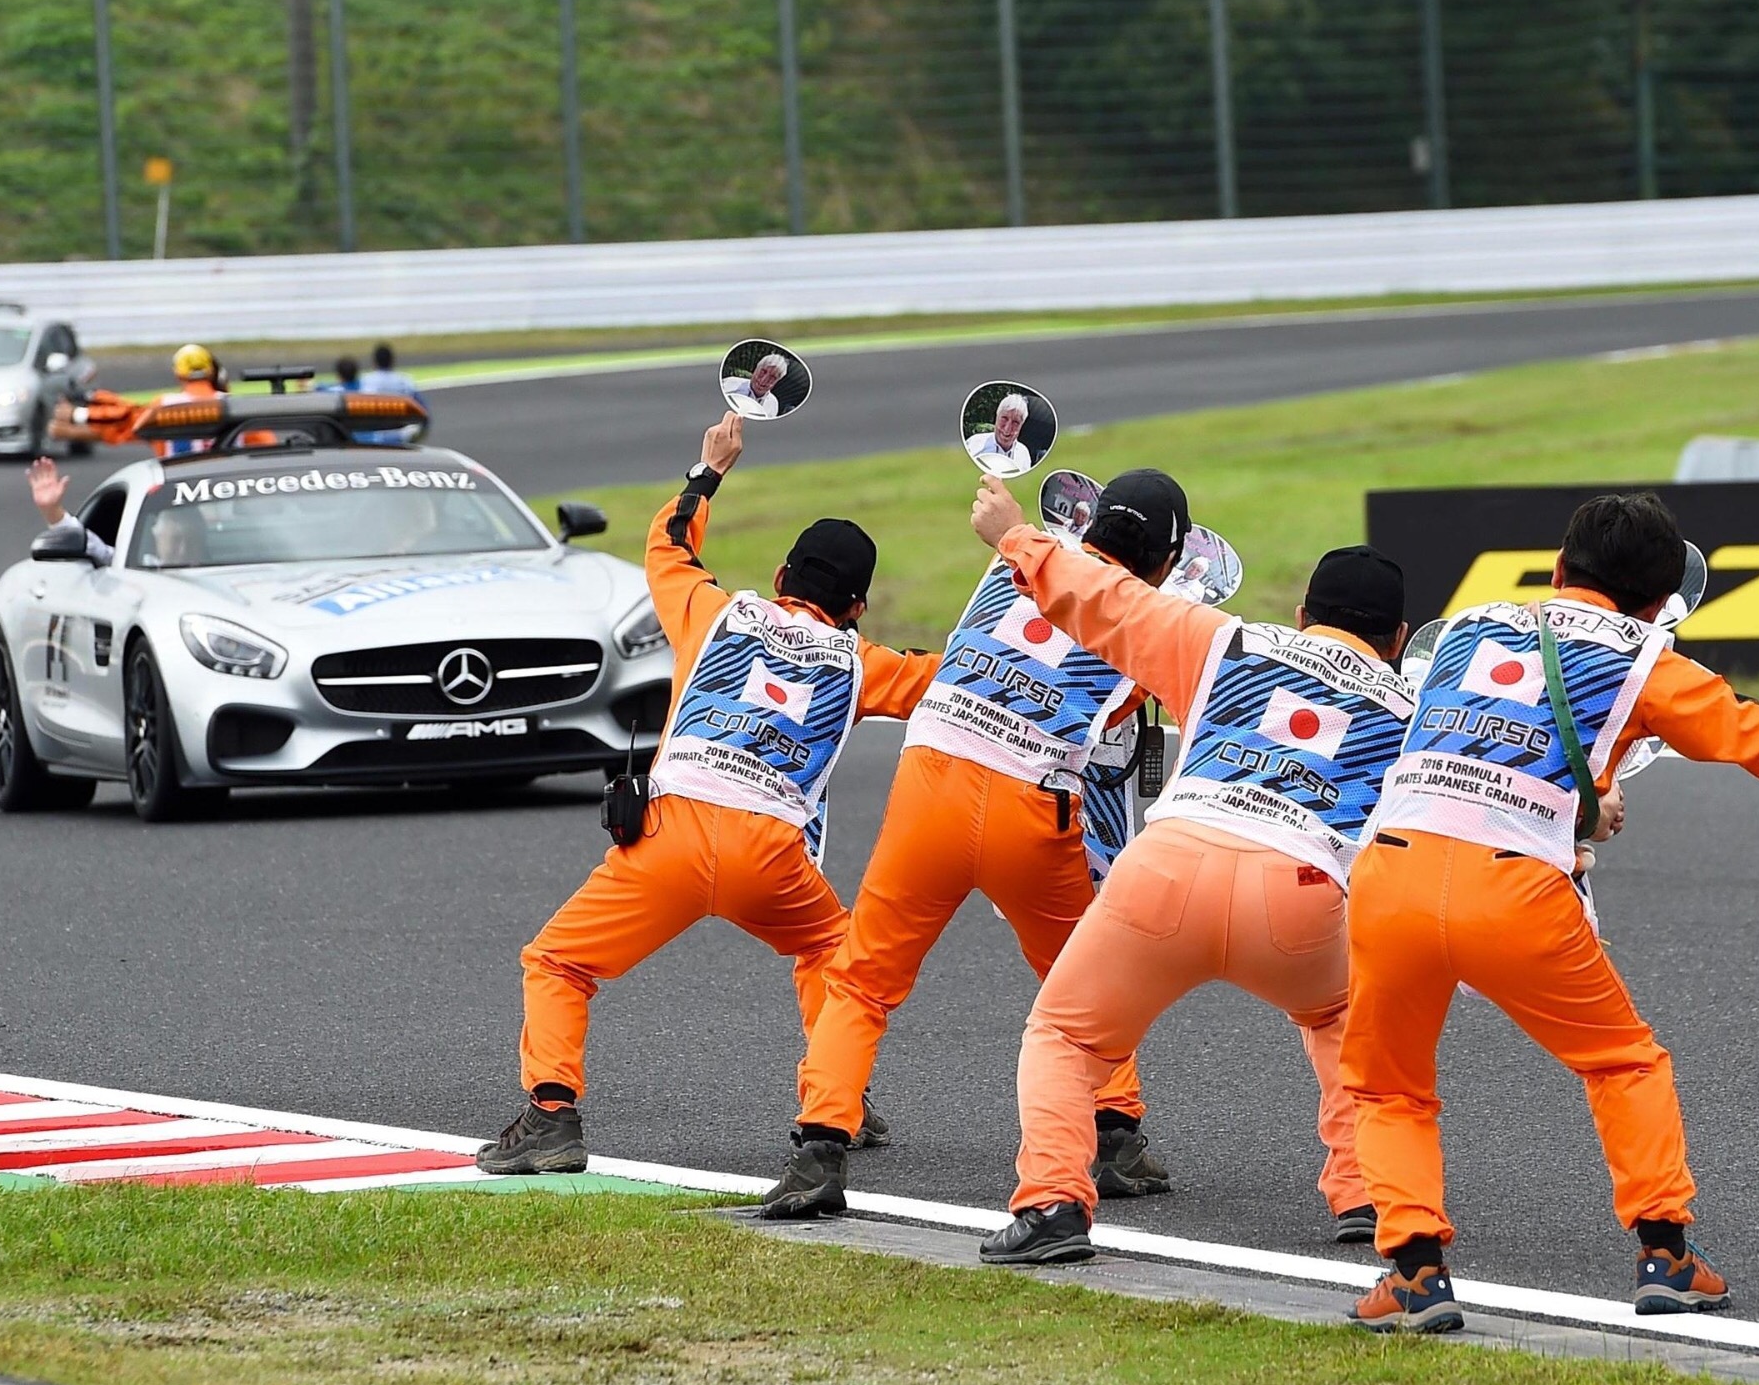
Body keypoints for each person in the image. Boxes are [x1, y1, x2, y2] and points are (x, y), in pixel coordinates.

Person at [1337, 492, 1759, 1334]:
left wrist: (1585, 796)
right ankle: (1664, 1253)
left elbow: (1457, 739)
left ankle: (1413, 1274)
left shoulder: (1470, 624)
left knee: (1389, 1085)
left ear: (1557, 568)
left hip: (1392, 870)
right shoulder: (1644, 656)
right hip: (1513, 888)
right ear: (1663, 604)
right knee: (1624, 1061)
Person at [958, 473, 1419, 1261]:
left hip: (1170, 866)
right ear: (1401, 639)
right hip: (1304, 898)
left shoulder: (1224, 639)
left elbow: (1104, 601)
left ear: (1303, 615)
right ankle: (1367, 1193)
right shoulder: (1413, 706)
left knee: (1066, 1036)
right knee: (1346, 1025)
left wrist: (1015, 536)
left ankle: (1053, 1205)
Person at [481, 413, 939, 1176]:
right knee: (831, 952)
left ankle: (552, 1114)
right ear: (856, 606)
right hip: (773, 855)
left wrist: (709, 470)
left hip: (671, 834)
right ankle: (838, 1100)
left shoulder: (712, 611)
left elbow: (667, 544)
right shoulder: (867, 661)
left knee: (557, 962)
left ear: (784, 578)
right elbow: (958, 683)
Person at [767, 470, 1190, 1220]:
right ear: (1164, 560)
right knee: (1083, 979)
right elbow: (1124, 715)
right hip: (1034, 801)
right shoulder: (1149, 615)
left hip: (933, 774)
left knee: (863, 979)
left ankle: (819, 1150)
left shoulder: (1012, 560)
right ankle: (1115, 1134)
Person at [53, 343, 229, 459]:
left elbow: (127, 420)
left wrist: (78, 415)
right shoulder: (234, 406)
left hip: (177, 489)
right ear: (212, 372)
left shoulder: (164, 406)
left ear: (178, 373)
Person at [967, 393, 1035, 474]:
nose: (1007, 429)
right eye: (1004, 418)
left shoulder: (1023, 455)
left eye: (1015, 422)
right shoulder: (973, 444)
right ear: (996, 416)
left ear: (1022, 425)